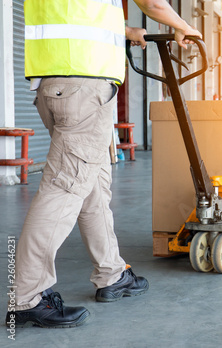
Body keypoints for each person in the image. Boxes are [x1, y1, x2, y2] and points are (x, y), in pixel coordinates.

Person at [6, 0, 202, 328]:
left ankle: (111, 274)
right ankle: (28, 296)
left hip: (51, 85)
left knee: (93, 182)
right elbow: (153, 3)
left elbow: (71, 16)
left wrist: (125, 31)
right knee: (65, 187)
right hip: (84, 87)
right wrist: (184, 26)